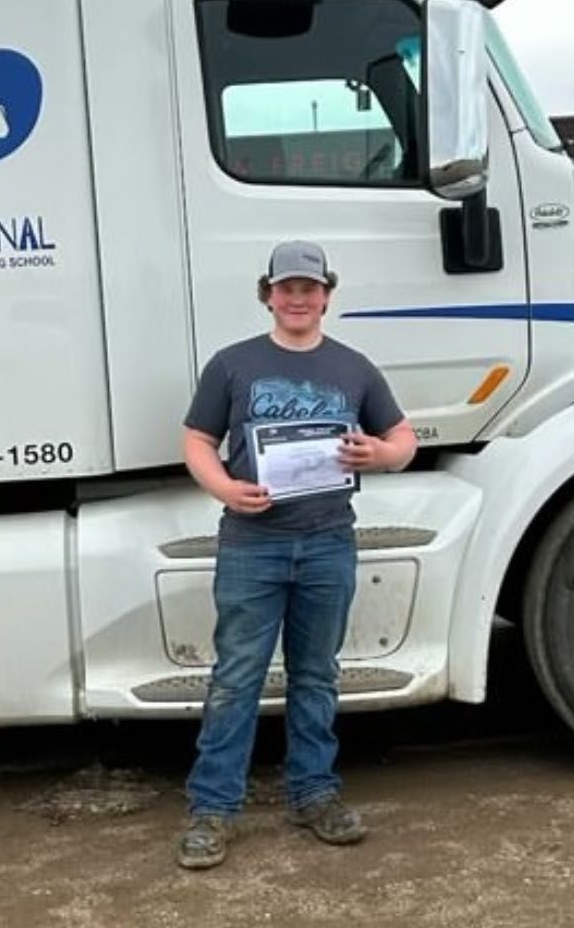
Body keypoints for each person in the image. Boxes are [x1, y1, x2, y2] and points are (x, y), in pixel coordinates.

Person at [176, 239, 418, 870]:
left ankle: (314, 795)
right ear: (268, 295)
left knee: (316, 674)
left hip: (328, 542)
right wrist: (225, 488)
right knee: (237, 677)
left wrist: (381, 455)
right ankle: (212, 809)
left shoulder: (354, 368)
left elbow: (402, 438)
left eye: (309, 289)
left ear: (326, 296)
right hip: (252, 544)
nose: (298, 299)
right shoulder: (232, 365)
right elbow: (197, 438)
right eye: (286, 289)